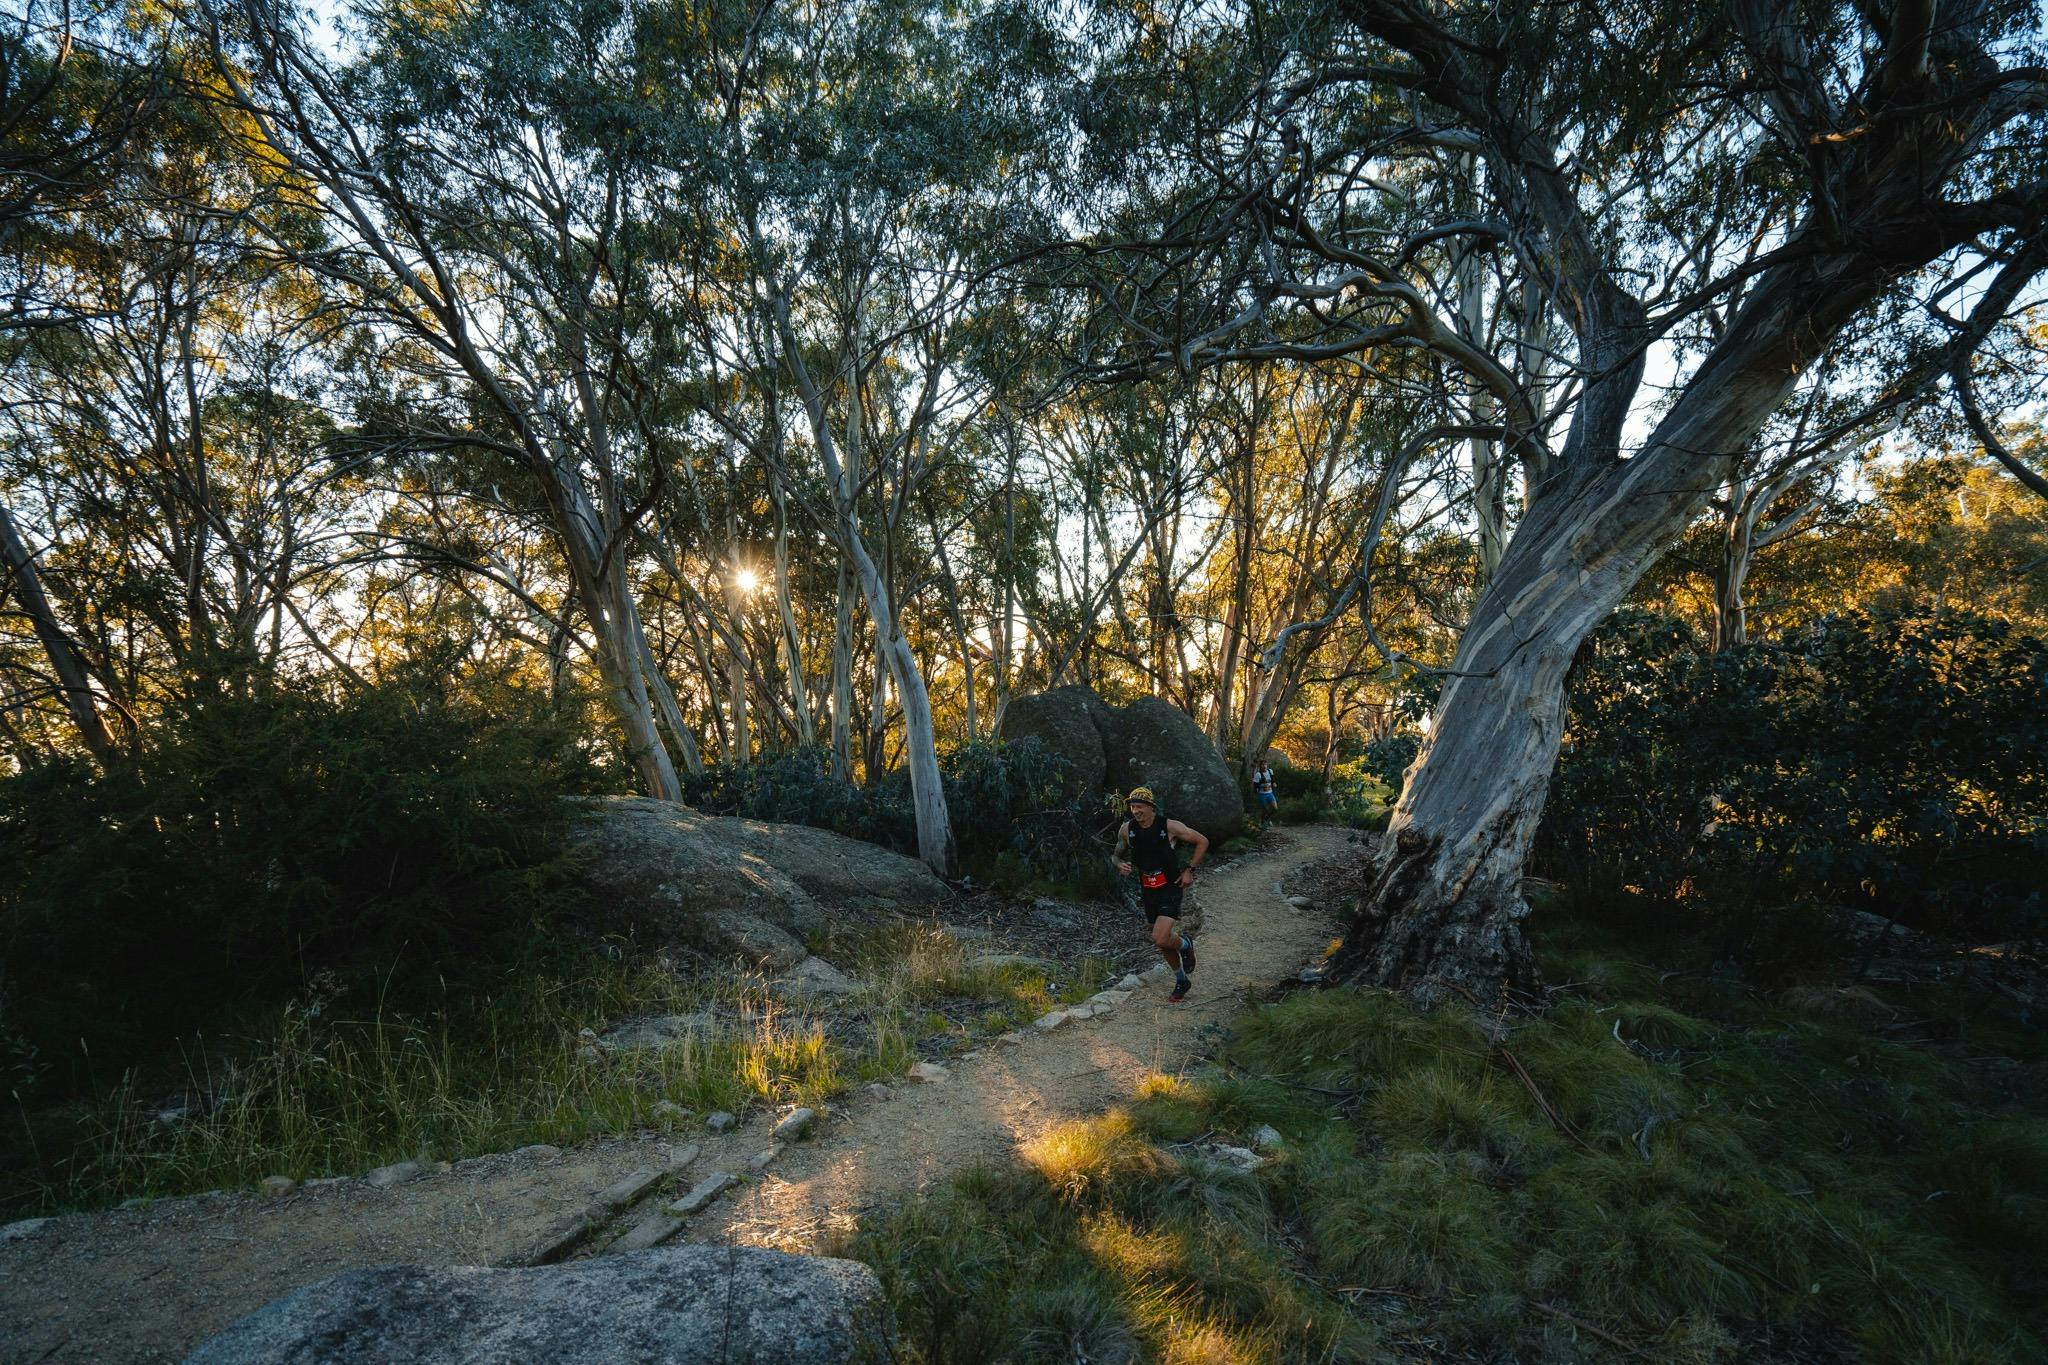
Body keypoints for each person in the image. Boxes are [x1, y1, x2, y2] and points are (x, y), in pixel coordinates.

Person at [1112, 786, 1209, 1002]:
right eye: (1132, 807)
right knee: (1161, 941)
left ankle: (1185, 944)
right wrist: (1120, 864)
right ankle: (1181, 979)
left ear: (1151, 807)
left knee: (1160, 936)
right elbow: (1115, 855)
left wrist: (1189, 870)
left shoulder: (1170, 826)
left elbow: (1203, 841)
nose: (1135, 811)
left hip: (1170, 886)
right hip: (1148, 888)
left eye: (1139, 807)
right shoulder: (1126, 829)